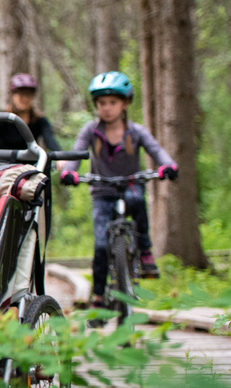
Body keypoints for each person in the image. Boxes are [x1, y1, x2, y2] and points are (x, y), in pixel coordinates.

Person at [59, 72, 178, 325]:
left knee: (136, 201)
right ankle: (99, 298)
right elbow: (77, 153)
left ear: (125, 104)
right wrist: (69, 171)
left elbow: (156, 150)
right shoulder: (91, 131)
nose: (107, 108)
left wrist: (168, 165)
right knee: (101, 246)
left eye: (113, 102)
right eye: (102, 103)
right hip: (102, 191)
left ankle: (144, 250)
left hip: (131, 185)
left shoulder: (135, 132)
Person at [0, 73, 62, 155]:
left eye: (29, 94)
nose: (25, 98)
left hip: (30, 166)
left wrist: (61, 157)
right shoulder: (0, 118)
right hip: (2, 165)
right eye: (21, 94)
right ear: (13, 95)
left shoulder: (39, 120)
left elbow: (50, 140)